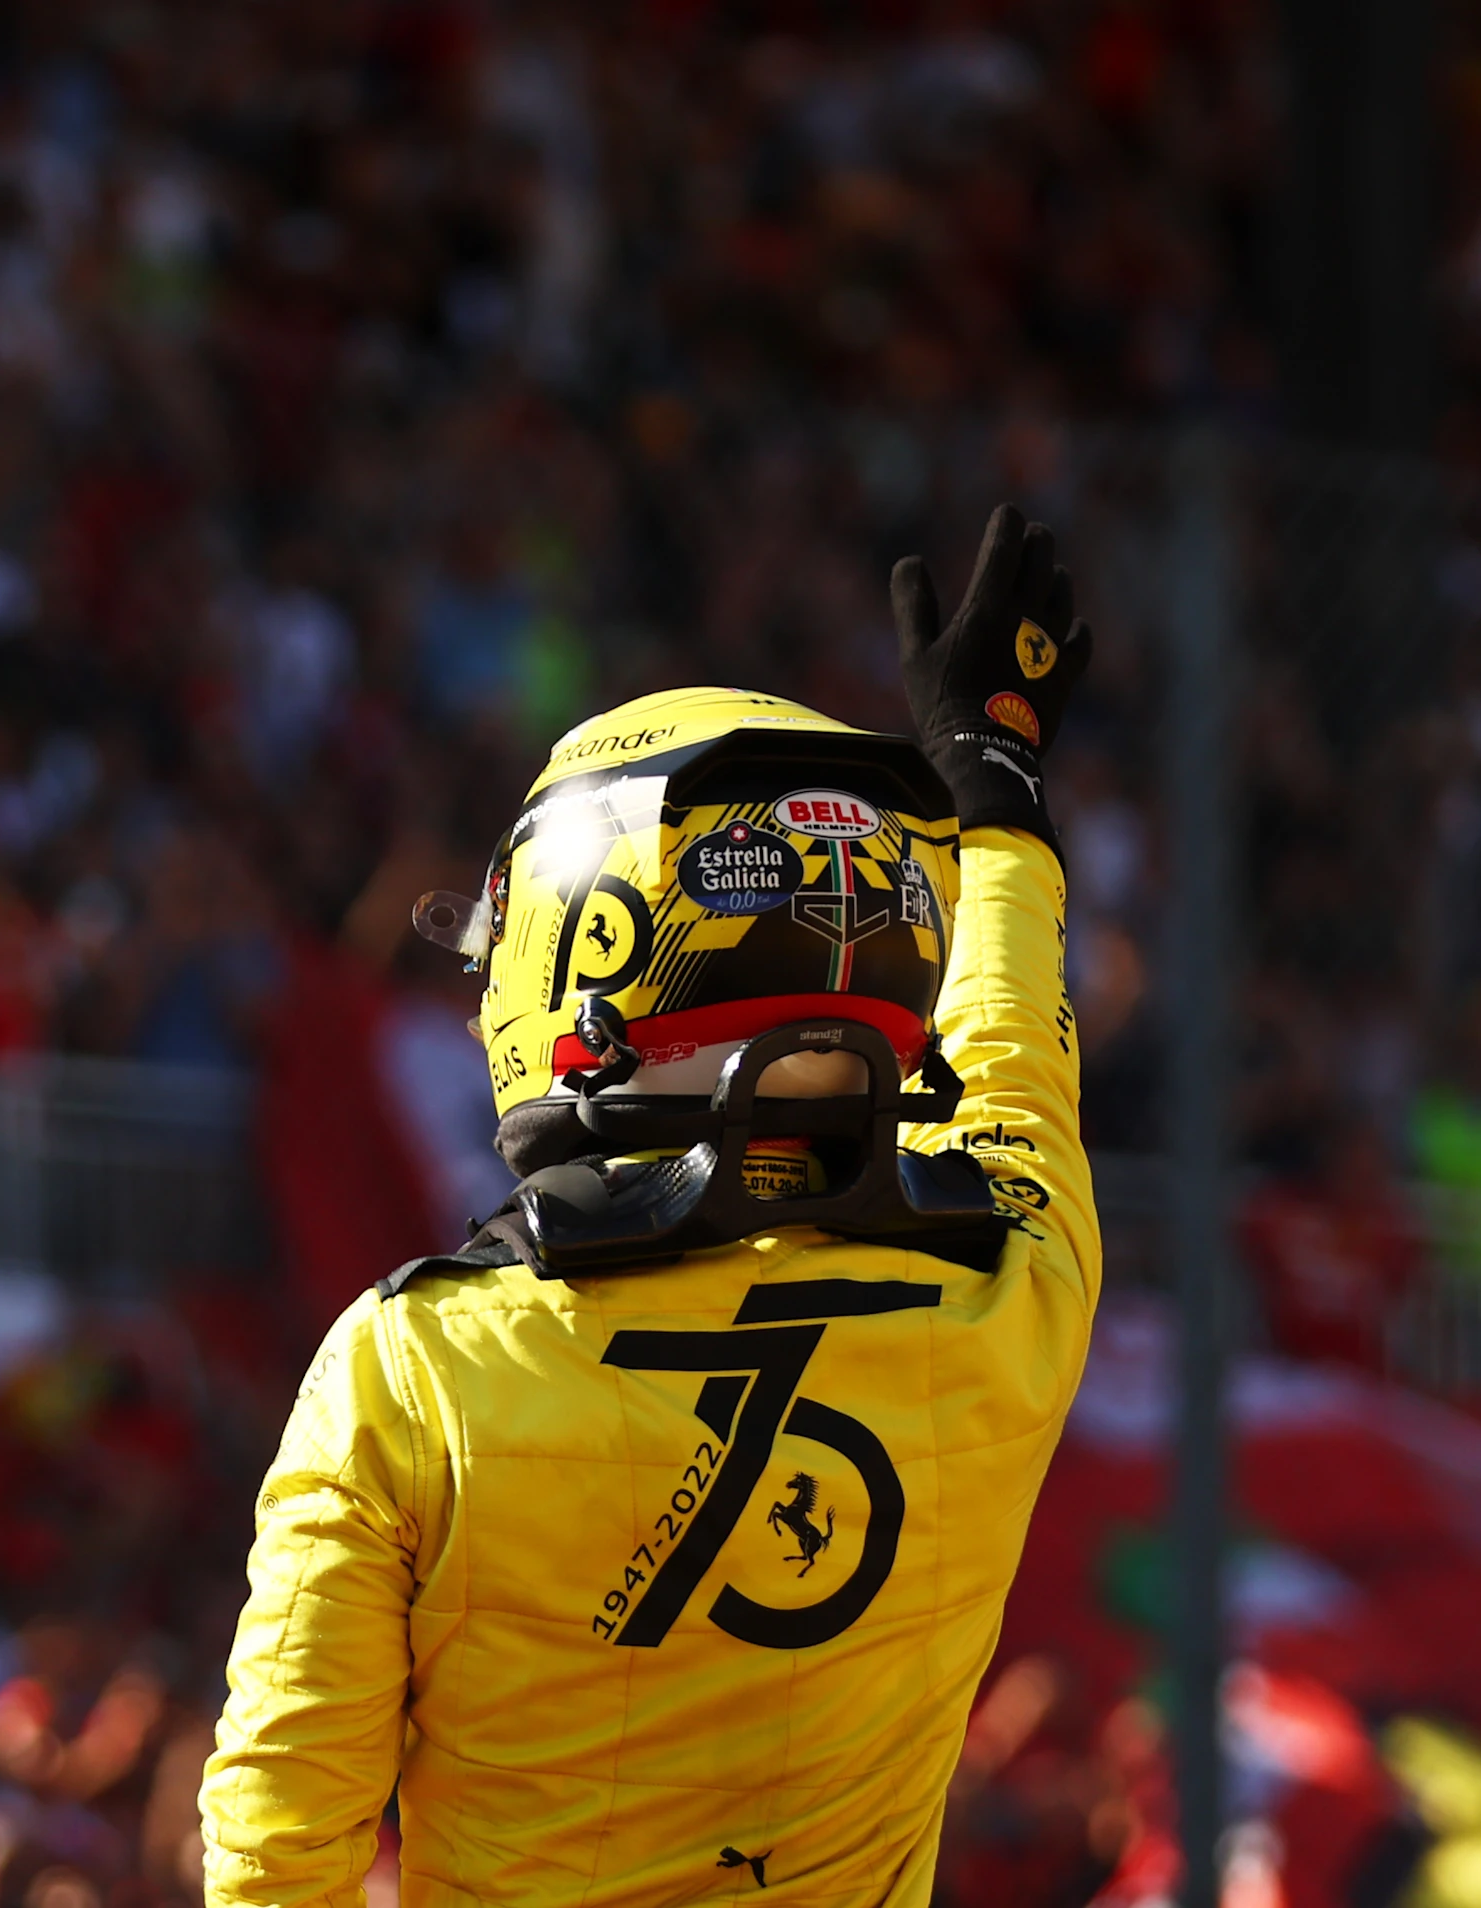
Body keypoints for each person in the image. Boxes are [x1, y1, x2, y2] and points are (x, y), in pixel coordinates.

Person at [201, 507, 1101, 1902]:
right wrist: (997, 800)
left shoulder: (411, 1374)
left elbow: (277, 1845)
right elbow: (1013, 1071)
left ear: (581, 944)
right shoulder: (1010, 1306)